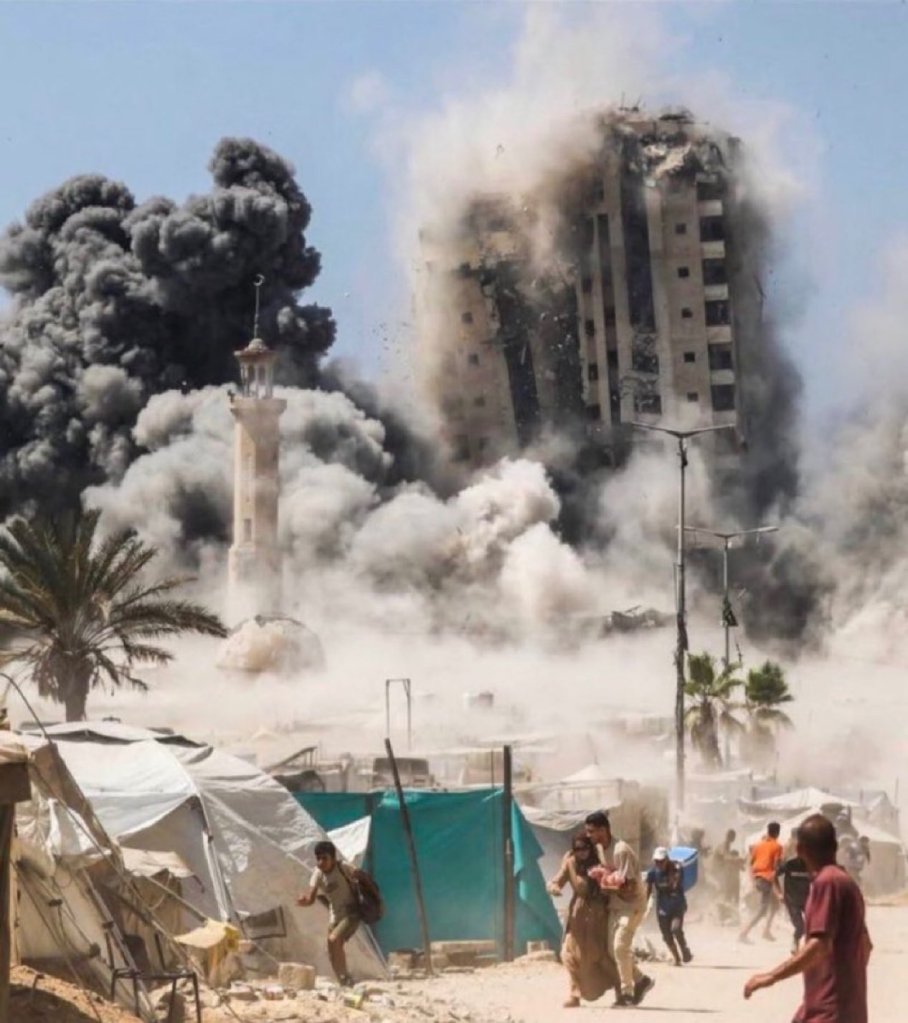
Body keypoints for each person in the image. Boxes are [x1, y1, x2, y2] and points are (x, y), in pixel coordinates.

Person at [744, 813, 872, 1023]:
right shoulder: (847, 882)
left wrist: (772, 976)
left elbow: (819, 944)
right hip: (845, 1010)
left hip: (828, 1014)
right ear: (835, 846)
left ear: (800, 849)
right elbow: (866, 946)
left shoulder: (826, 883)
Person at [584, 810, 655, 1007]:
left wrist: (606, 885)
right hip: (616, 906)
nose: (589, 835)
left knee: (620, 947)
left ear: (603, 830)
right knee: (612, 949)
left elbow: (629, 885)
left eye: (591, 831)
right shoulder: (602, 850)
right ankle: (641, 980)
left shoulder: (620, 850)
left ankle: (627, 993)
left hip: (631, 906)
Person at [547, 833, 619, 1008]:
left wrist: (605, 883)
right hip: (577, 914)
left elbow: (612, 887)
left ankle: (620, 988)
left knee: (598, 955)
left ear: (590, 848)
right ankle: (574, 994)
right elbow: (556, 881)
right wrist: (554, 888)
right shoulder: (571, 863)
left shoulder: (600, 864)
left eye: (585, 848)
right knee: (568, 954)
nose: (581, 852)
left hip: (597, 914)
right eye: (577, 849)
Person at [296, 840, 360, 985]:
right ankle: (343, 980)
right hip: (335, 915)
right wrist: (304, 901)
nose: (321, 862)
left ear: (333, 858)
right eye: (318, 858)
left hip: (351, 912)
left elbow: (362, 878)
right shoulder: (318, 874)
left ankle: (345, 976)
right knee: (332, 951)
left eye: (324, 858)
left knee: (333, 939)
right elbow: (311, 898)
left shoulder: (343, 867)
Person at [645, 847, 692, 966]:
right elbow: (648, 889)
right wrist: (645, 904)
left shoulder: (676, 869)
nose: (659, 864)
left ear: (667, 859)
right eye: (656, 861)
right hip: (662, 907)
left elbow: (675, 884)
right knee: (666, 935)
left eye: (661, 861)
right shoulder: (653, 873)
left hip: (677, 905)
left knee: (676, 929)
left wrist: (670, 875)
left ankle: (684, 949)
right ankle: (676, 958)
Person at [739, 820, 783, 943]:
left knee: (775, 905)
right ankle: (743, 933)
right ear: (778, 833)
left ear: (768, 831)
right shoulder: (777, 846)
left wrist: (752, 880)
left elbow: (750, 863)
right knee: (762, 910)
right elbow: (775, 868)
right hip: (767, 880)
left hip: (758, 878)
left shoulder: (758, 845)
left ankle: (766, 931)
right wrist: (778, 891)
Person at [776, 828, 811, 953]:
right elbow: (774, 875)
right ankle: (795, 942)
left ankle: (809, 948)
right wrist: (779, 893)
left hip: (806, 899)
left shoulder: (810, 865)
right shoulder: (790, 863)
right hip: (792, 900)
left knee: (813, 924)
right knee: (800, 926)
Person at [712, 828, 744, 924]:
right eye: (733, 836)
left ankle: (724, 915)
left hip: (722, 872)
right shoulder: (724, 845)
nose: (734, 838)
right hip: (720, 872)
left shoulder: (727, 845)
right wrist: (737, 859)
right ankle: (721, 916)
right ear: (731, 836)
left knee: (727, 894)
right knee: (726, 894)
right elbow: (726, 857)